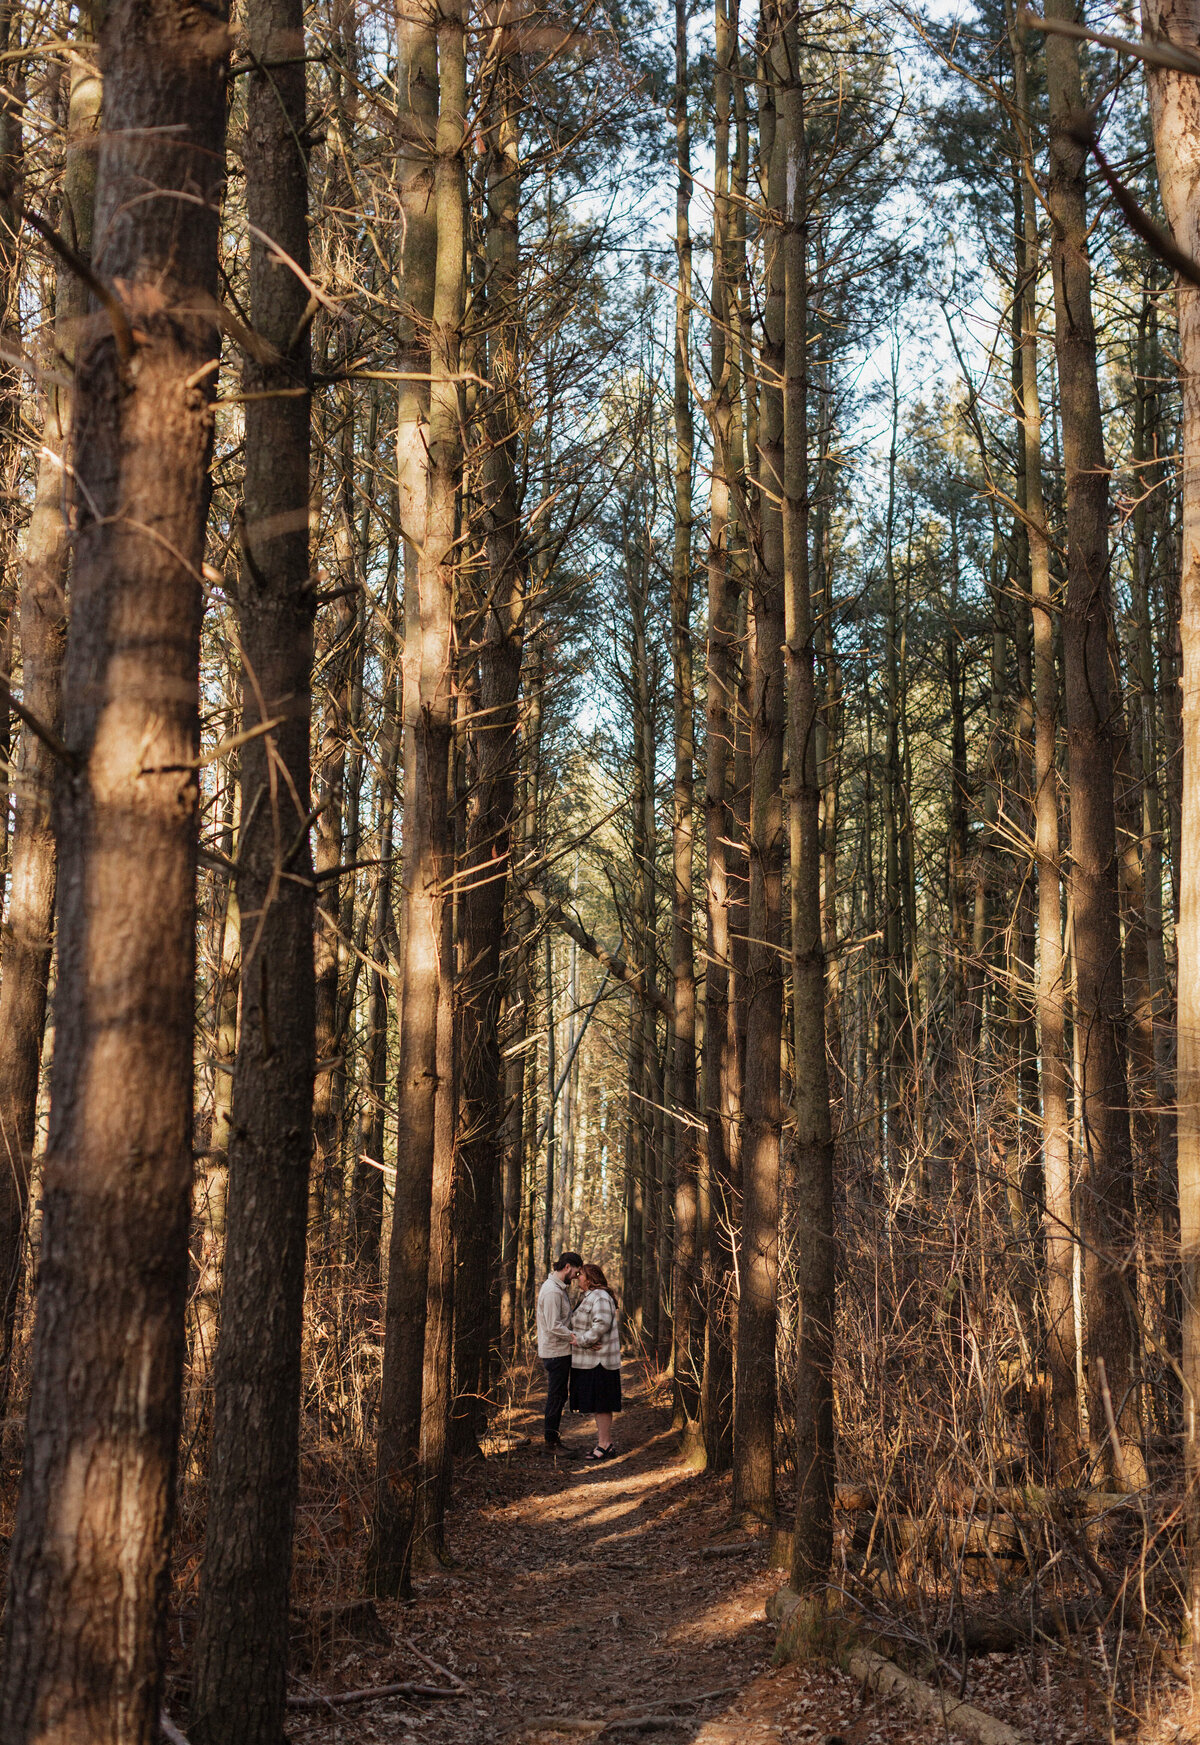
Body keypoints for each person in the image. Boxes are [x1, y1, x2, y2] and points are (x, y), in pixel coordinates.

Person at [569, 1262, 622, 1461]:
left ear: (590, 1279)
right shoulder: (590, 1296)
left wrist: (582, 1341)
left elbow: (601, 1324)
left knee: (602, 1405)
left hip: (600, 1362)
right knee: (599, 1405)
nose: (577, 1278)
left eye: (580, 1275)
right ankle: (604, 1443)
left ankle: (605, 1444)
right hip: (591, 1361)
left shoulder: (600, 1296)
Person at [537, 1251, 583, 1452]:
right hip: (556, 1352)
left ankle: (553, 1439)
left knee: (559, 1395)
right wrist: (576, 1338)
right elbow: (554, 1325)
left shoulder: (559, 1289)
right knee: (556, 1396)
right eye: (576, 1271)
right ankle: (551, 1443)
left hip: (561, 1351)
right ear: (567, 1267)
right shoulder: (552, 1292)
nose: (577, 1276)